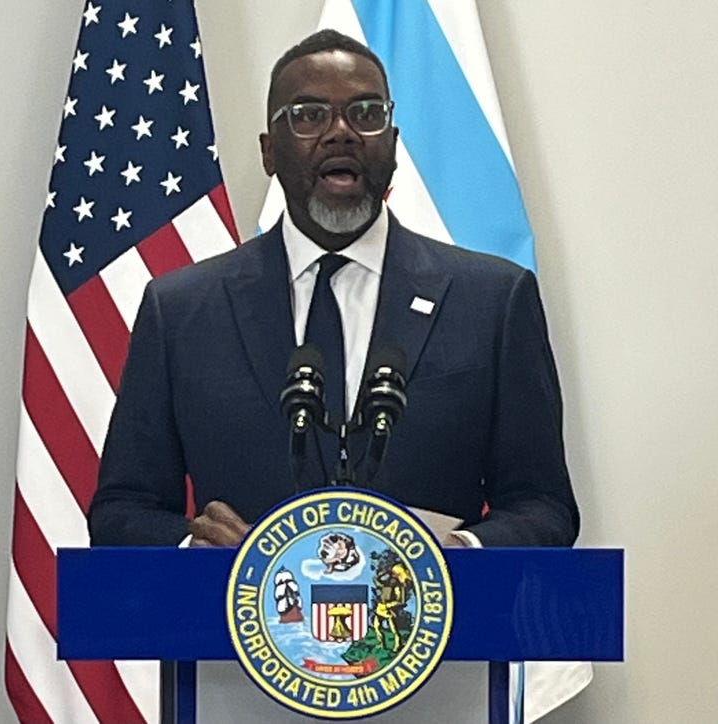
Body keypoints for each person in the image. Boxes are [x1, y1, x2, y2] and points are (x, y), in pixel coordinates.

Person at [88, 30, 579, 551]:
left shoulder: (495, 301)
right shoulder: (181, 311)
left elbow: (543, 507)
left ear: (392, 142)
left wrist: (457, 555)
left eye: (366, 114)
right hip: (232, 623)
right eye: (308, 115)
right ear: (268, 151)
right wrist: (200, 549)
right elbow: (122, 511)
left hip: (440, 623)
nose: (341, 132)